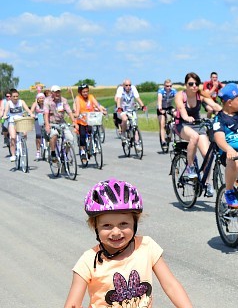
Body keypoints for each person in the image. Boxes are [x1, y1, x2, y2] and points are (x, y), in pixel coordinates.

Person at [63, 178, 192, 308]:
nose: (116, 232)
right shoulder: (88, 261)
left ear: (135, 223)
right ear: (94, 226)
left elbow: (171, 285)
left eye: (123, 224)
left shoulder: (147, 247)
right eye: (107, 225)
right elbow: (73, 303)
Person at [174, 72, 222, 197]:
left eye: (196, 83)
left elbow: (214, 105)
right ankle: (190, 167)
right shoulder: (180, 95)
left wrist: (225, 112)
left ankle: (207, 183)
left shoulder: (200, 95)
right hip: (182, 125)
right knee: (193, 137)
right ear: (186, 85)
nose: (194, 86)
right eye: (191, 84)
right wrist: (186, 117)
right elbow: (181, 109)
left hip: (197, 125)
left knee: (207, 155)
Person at [73, 84, 106, 162]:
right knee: (83, 136)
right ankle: (83, 151)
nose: (85, 93)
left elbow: (97, 105)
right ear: (80, 92)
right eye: (83, 92)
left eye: (87, 91)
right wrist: (77, 114)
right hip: (82, 120)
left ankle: (93, 145)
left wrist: (102, 111)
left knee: (93, 132)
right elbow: (77, 108)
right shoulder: (78, 98)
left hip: (90, 119)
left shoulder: (91, 97)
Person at [44, 85, 75, 163]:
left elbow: (69, 111)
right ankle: (53, 153)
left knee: (70, 139)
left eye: (59, 92)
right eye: (56, 92)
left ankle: (64, 154)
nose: (58, 94)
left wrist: (74, 122)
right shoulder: (47, 101)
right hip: (52, 123)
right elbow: (46, 113)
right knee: (54, 135)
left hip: (61, 122)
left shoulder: (63, 100)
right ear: (52, 93)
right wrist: (47, 125)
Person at [1, 88, 33, 162]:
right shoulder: (9, 103)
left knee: (24, 134)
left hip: (21, 121)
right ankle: (13, 155)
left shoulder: (21, 102)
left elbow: (27, 110)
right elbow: (5, 112)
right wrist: (5, 116)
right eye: (14, 96)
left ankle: (23, 146)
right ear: (11, 97)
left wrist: (31, 113)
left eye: (17, 96)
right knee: (13, 138)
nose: (16, 98)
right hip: (12, 122)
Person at [157, 79, 178, 149]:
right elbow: (159, 101)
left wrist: (177, 108)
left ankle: (171, 129)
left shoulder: (173, 91)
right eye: (167, 86)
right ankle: (163, 141)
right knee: (162, 123)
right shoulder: (161, 91)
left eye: (170, 86)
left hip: (169, 107)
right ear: (164, 86)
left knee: (176, 114)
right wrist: (160, 109)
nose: (169, 87)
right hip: (161, 108)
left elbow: (178, 100)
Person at [29, 93, 46, 160]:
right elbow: (31, 111)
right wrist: (31, 114)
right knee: (38, 135)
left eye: (42, 98)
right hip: (37, 119)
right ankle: (38, 151)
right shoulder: (35, 104)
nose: (41, 99)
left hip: (45, 119)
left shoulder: (46, 104)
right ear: (37, 99)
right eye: (40, 98)